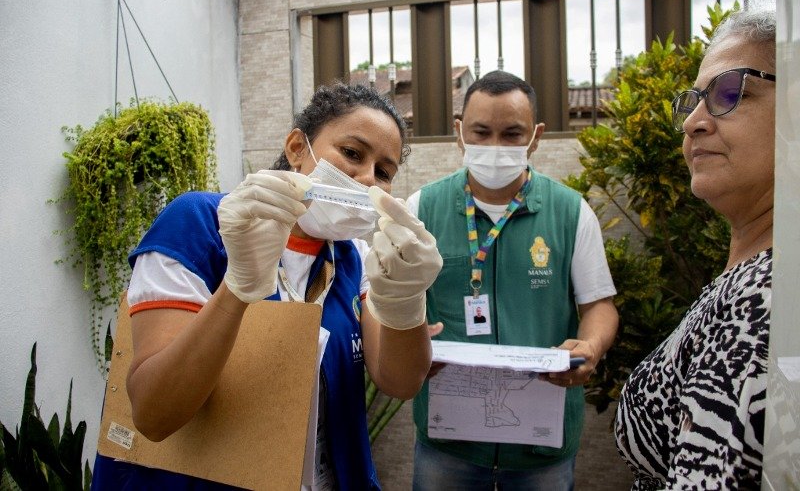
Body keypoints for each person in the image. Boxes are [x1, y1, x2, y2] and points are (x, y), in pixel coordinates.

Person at [91, 83, 443, 490]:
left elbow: (400, 381)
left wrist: (405, 302)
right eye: (352, 153)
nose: (367, 179)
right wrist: (237, 289)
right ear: (297, 147)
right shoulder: (201, 224)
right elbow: (153, 414)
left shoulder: (355, 257)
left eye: (384, 172)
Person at [407, 70, 620, 490]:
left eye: (512, 134)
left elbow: (598, 305)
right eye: (481, 132)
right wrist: (409, 346)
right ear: (459, 133)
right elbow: (395, 305)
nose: (495, 147)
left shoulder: (570, 212)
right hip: (448, 442)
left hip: (540, 450)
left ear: (535, 137)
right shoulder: (422, 209)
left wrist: (590, 348)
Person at [614, 5, 776, 489]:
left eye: (730, 93)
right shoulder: (752, 271)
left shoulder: (762, 301)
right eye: (695, 100)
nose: (693, 123)